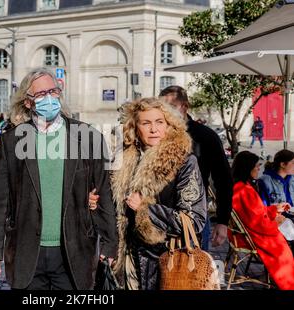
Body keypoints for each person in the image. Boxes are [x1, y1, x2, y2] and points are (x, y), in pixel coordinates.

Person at [0, 68, 118, 290]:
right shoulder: (12, 141)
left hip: (74, 251)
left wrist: (110, 244)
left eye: (53, 91)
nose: (49, 98)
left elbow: (104, 195)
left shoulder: (88, 137)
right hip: (26, 252)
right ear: (28, 102)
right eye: (41, 94)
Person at [107, 97, 206, 290]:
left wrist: (147, 209)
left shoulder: (183, 161)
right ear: (135, 127)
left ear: (169, 125)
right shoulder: (122, 159)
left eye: (159, 122)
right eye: (146, 123)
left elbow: (194, 220)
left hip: (166, 258)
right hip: (127, 259)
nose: (154, 129)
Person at [159, 86, 233, 250]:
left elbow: (223, 179)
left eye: (171, 106)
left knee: (192, 271)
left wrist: (222, 221)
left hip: (194, 216)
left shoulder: (205, 136)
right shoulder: (156, 134)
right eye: (161, 107)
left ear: (185, 106)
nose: (165, 112)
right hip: (159, 214)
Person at [230, 151, 294, 290]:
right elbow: (256, 221)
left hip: (251, 230)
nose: (259, 168)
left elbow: (256, 212)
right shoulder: (244, 190)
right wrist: (275, 223)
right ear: (248, 168)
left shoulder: (242, 186)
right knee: (284, 251)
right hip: (252, 235)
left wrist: (274, 209)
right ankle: (287, 283)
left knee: (286, 242)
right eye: (257, 166)